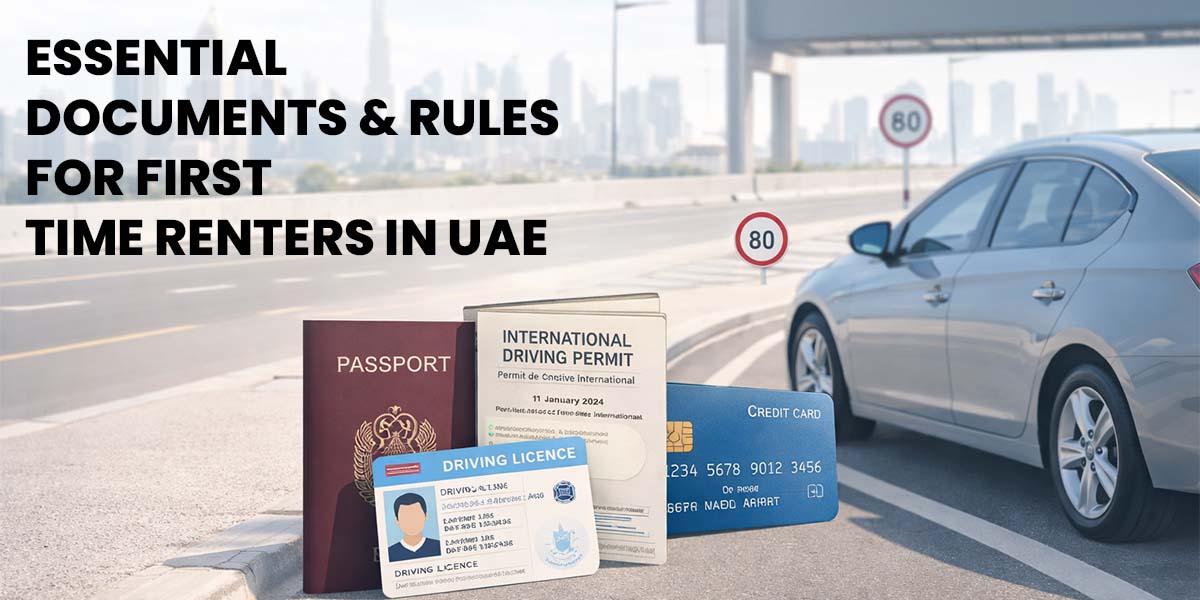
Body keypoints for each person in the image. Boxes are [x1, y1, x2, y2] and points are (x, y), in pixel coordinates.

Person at [387, 492, 441, 561]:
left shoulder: (439, 547)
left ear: (425, 516)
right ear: (397, 520)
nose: (411, 521)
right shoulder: (389, 553)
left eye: (416, 515)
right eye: (405, 517)